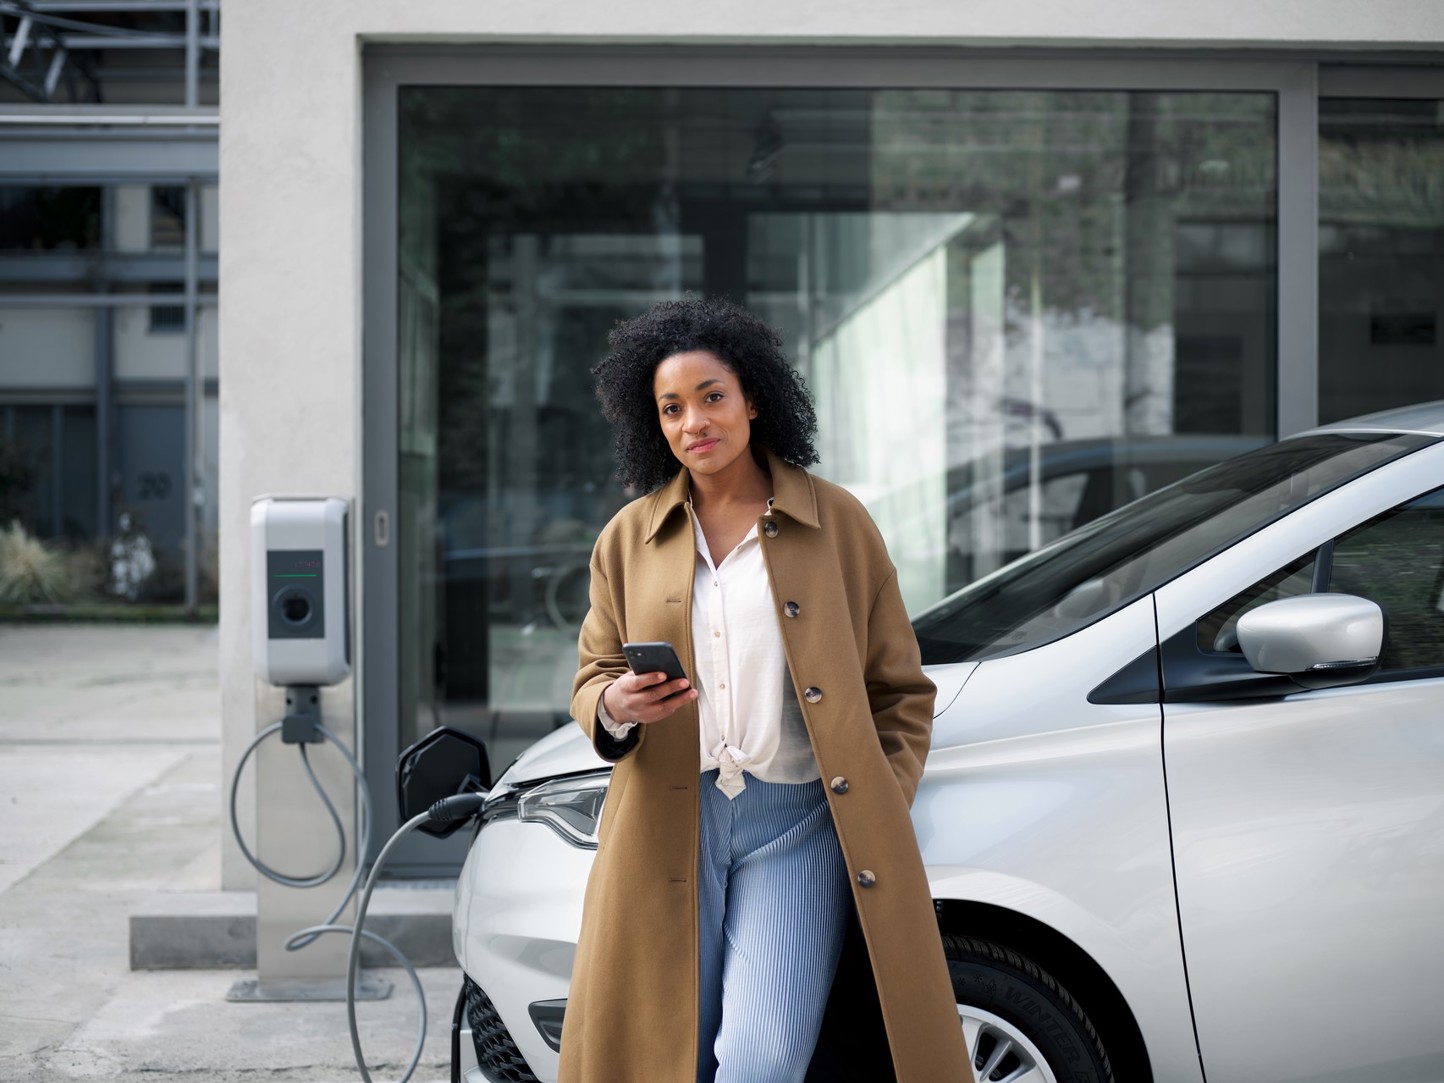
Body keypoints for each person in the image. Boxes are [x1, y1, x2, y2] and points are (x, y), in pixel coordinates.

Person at [558, 297, 972, 1083]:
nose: (694, 423)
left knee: (762, 1056)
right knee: (665, 1052)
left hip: (799, 824)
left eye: (711, 397)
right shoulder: (628, 537)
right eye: (671, 408)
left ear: (753, 398)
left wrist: (879, 793)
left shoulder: (837, 524)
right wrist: (614, 706)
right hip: (667, 822)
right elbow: (593, 676)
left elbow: (901, 690)